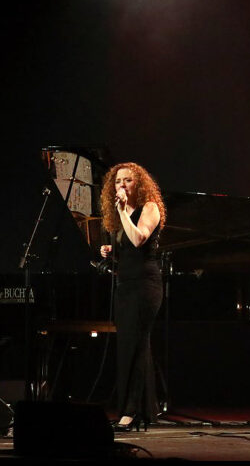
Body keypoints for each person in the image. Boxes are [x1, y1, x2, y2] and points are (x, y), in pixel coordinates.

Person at [98, 162, 166, 432]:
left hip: (145, 286)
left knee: (136, 344)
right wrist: (110, 250)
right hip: (125, 285)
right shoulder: (120, 215)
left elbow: (139, 240)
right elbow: (126, 252)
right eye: (117, 181)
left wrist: (123, 211)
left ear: (139, 184)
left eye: (127, 180)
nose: (121, 185)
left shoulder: (149, 208)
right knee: (133, 345)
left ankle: (130, 411)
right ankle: (146, 411)